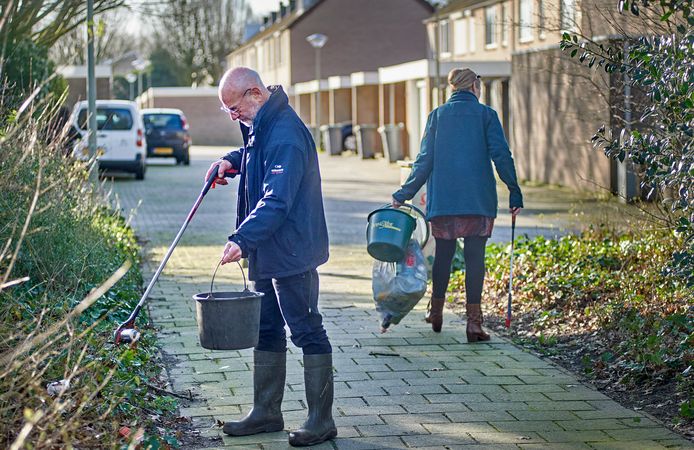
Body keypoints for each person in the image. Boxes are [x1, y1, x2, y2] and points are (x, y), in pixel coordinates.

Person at [205, 67, 336, 447]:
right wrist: (232, 160)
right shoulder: (265, 123)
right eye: (228, 111)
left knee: (306, 329)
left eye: (234, 108)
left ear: (254, 94)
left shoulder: (287, 135)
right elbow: (255, 154)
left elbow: (276, 199)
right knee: (266, 328)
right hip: (268, 248)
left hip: (292, 249)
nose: (234, 116)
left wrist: (242, 239)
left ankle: (321, 420)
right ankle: (266, 412)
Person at [392, 68, 523, 341]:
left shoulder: (437, 116)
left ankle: (436, 310)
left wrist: (403, 194)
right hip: (478, 200)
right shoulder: (487, 115)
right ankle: (474, 325)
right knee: (476, 260)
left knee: (444, 255)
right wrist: (514, 190)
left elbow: (424, 161)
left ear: (453, 88)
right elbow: (501, 155)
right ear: (475, 87)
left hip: (446, 200)